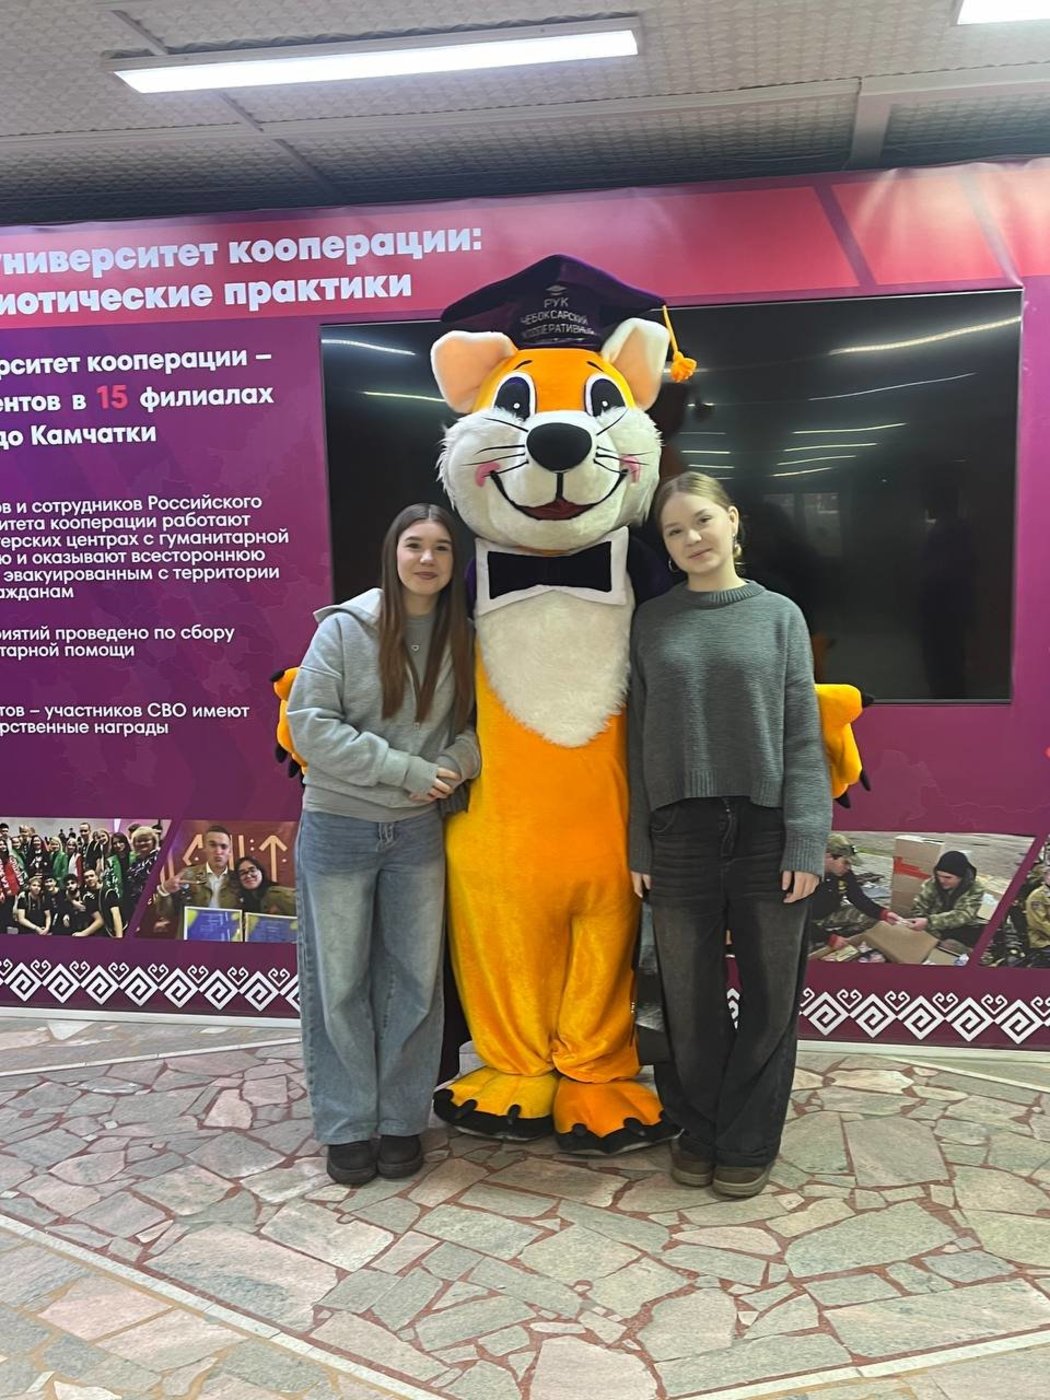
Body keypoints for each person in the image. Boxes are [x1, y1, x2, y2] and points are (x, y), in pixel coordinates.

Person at [629, 472, 830, 1198]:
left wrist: (806, 839)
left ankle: (747, 1138)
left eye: (702, 521)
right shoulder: (651, 622)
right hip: (677, 832)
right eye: (675, 531)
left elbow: (803, 735)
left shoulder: (779, 616)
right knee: (688, 999)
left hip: (766, 828)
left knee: (773, 996)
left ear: (733, 521)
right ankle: (700, 1128)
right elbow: (636, 744)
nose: (691, 538)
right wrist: (640, 844)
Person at [287, 502, 478, 1188]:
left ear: (455, 562)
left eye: (442, 548)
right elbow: (309, 725)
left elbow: (480, 727)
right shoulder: (344, 629)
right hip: (339, 826)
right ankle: (346, 1125)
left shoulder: (464, 636)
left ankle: (401, 1119)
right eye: (414, 545)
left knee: (414, 981)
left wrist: (455, 761)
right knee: (339, 984)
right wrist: (407, 771)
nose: (427, 559)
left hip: (417, 835)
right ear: (393, 553)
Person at [807, 833, 901, 951]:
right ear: (828, 857)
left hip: (831, 913)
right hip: (805, 921)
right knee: (800, 950)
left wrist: (883, 913)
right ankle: (822, 939)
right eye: (845, 862)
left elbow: (857, 897)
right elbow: (795, 918)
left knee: (871, 919)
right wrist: (828, 938)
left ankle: (838, 937)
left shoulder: (844, 874)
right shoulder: (805, 877)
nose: (848, 868)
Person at [906, 850, 987, 949]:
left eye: (947, 877)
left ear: (961, 877)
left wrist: (929, 922)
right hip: (933, 926)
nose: (941, 880)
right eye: (939, 875)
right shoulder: (932, 883)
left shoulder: (976, 888)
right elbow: (918, 909)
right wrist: (933, 934)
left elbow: (964, 915)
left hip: (958, 926)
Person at [159, 825, 239, 911]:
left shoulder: (238, 880)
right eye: (212, 845)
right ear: (204, 847)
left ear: (230, 851)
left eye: (223, 846)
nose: (218, 851)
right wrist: (164, 890)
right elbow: (166, 913)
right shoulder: (188, 875)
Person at [124, 825, 162, 910]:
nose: (142, 843)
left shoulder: (158, 858)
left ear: (153, 841)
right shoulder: (136, 860)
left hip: (154, 906)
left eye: (146, 840)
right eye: (139, 841)